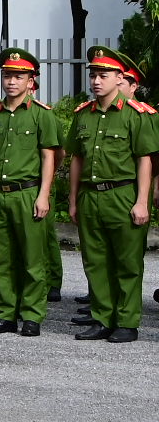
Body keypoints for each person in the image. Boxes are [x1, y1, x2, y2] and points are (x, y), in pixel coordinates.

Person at [65, 46, 154, 343]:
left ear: (120, 78)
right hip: (91, 196)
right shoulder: (83, 115)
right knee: (95, 261)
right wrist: (73, 199)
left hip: (122, 194)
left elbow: (144, 160)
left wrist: (142, 201)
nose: (96, 81)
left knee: (128, 263)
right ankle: (102, 318)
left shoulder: (136, 114)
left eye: (103, 75)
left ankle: (127, 322)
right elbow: (76, 158)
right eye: (93, 75)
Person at [0, 48, 60, 337]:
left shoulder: (41, 115)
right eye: (7, 76)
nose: (11, 82)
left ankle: (32, 315)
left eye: (18, 76)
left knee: (32, 259)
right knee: (1, 259)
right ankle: (5, 314)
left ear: (30, 81)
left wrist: (44, 194)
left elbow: (50, 157)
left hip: (28, 192)